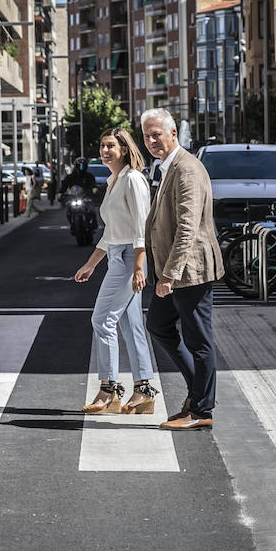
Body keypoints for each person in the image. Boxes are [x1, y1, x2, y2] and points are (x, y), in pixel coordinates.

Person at [141, 108, 224, 431]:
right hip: (174, 271)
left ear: (173, 133)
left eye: (156, 135)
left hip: (190, 271)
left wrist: (169, 274)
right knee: (159, 325)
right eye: (146, 135)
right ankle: (197, 393)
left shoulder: (186, 168)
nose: (150, 141)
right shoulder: (169, 167)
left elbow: (187, 227)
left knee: (198, 340)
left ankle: (202, 410)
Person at [74, 128, 157, 414]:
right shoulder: (113, 180)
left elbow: (141, 227)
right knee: (130, 325)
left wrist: (138, 266)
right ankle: (143, 390)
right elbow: (111, 231)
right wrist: (92, 263)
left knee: (102, 320)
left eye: (111, 145)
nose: (105, 150)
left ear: (124, 149)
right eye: (102, 145)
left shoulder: (133, 179)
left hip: (128, 258)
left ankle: (109, 389)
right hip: (116, 255)